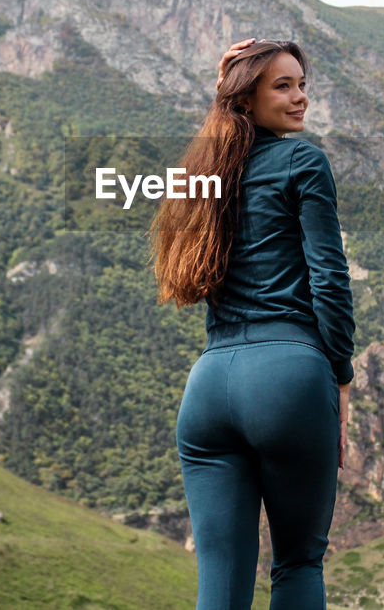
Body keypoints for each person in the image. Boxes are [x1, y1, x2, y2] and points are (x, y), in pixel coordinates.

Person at [151, 37, 355, 609]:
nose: (300, 98)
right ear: (249, 98)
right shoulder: (303, 160)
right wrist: (340, 377)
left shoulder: (203, 174)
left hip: (209, 389)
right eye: (282, 86)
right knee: (296, 563)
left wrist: (224, 88)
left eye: (302, 84)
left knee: (219, 578)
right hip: (288, 377)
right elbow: (329, 282)